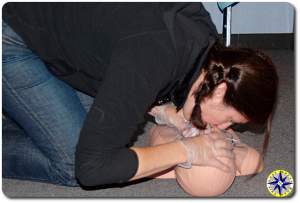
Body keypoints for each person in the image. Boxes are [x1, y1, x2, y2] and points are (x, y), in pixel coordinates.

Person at [2, 2, 277, 192]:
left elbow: (139, 62)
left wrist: (164, 110)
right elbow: (92, 169)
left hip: (57, 27)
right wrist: (188, 150)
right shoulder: (150, 59)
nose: (224, 129)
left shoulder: (203, 35)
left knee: (93, 129)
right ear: (220, 90)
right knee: (73, 161)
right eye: (229, 120)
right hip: (12, 34)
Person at [147, 46, 278, 196]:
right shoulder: (151, 70)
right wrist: (184, 148)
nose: (224, 127)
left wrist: (174, 117)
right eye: (230, 119)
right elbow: (116, 163)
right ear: (219, 93)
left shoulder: (211, 57)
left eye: (232, 123)